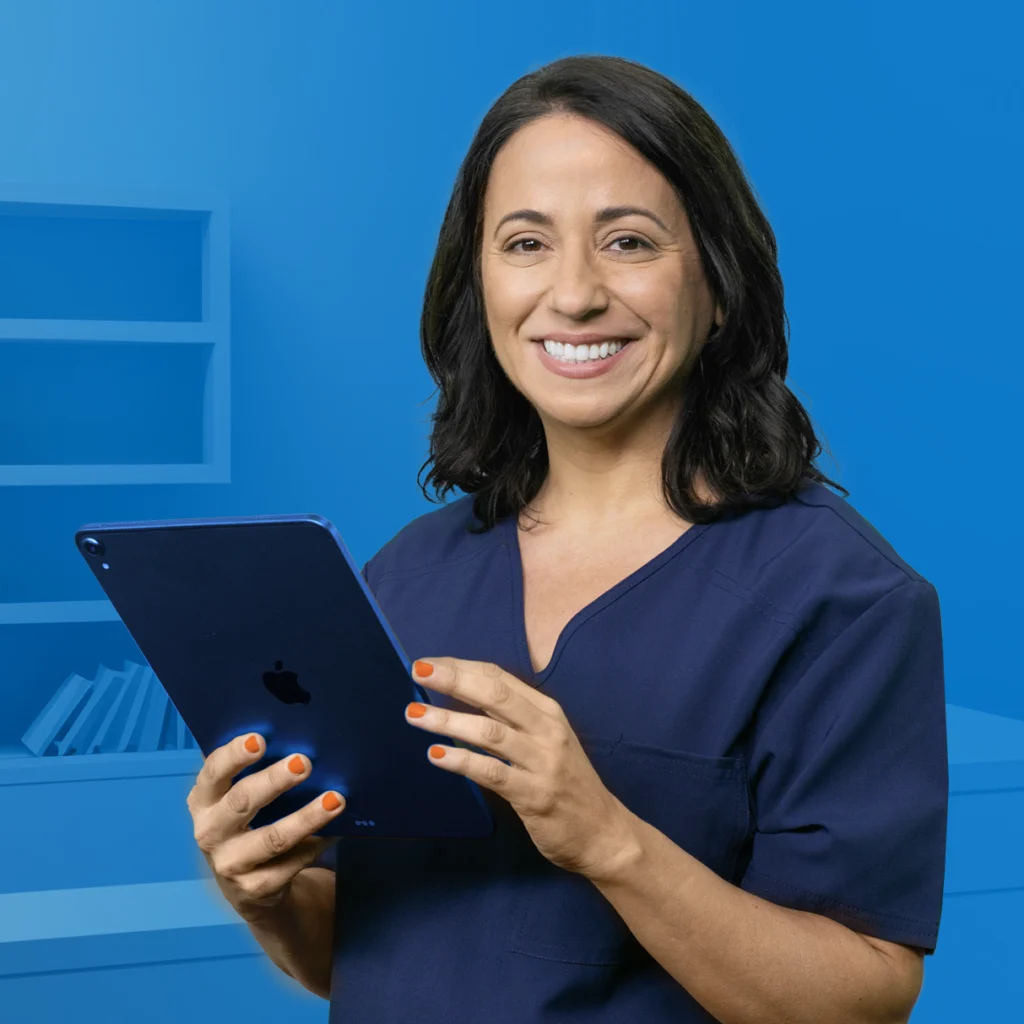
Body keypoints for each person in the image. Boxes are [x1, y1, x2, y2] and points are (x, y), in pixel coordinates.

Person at [186, 55, 947, 1024]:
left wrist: (604, 837)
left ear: (716, 285)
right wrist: (270, 894)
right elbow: (367, 959)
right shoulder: (400, 576)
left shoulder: (841, 600)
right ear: (478, 284)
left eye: (628, 241)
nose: (574, 294)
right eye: (525, 243)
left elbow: (861, 1001)